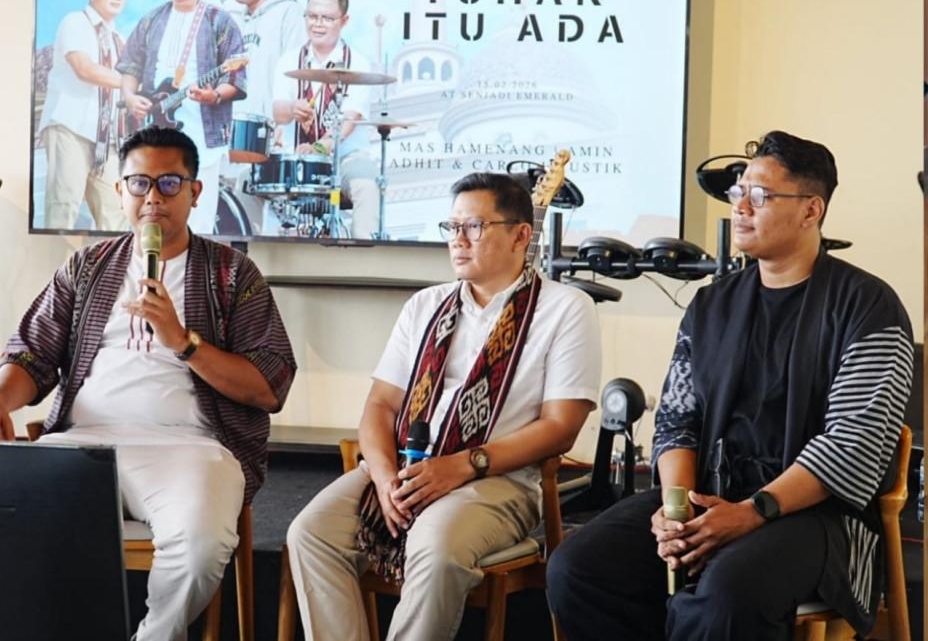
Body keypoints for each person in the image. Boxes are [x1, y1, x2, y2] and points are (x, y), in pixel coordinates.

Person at [547, 131, 915, 640]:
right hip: (708, 495)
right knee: (580, 568)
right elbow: (677, 422)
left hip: (816, 515)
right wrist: (676, 512)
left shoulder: (868, 308)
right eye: (737, 192)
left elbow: (852, 445)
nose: (740, 206)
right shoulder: (711, 305)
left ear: (811, 210)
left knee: (725, 589)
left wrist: (752, 512)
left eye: (758, 196)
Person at [0, 126, 296, 641]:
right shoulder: (87, 266)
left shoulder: (234, 274)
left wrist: (181, 340)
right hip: (82, 444)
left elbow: (269, 386)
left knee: (199, 547)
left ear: (195, 192)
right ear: (119, 191)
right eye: (139, 184)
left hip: (190, 449)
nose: (152, 199)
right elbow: (30, 353)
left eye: (169, 184)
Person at [286, 172, 602, 640]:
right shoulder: (425, 305)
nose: (458, 240)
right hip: (405, 471)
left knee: (433, 546)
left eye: (474, 227)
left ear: (521, 235)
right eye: (451, 227)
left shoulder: (565, 308)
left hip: (497, 481)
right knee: (310, 533)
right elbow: (379, 406)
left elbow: (561, 428)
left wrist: (463, 465)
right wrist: (384, 475)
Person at [117, 0, 246, 236]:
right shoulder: (151, 19)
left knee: (197, 224)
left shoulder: (218, 21)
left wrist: (214, 96)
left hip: (201, 136)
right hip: (153, 134)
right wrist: (130, 98)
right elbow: (130, 67)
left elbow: (235, 79)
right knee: (142, 219)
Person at [272, 0, 381, 239]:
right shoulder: (288, 60)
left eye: (327, 18)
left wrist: (319, 148)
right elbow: (277, 111)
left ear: (344, 20)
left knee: (367, 185)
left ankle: (364, 261)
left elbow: (349, 121)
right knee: (247, 181)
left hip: (344, 159)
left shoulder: (358, 63)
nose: (317, 24)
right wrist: (292, 108)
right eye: (312, 16)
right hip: (295, 158)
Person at [38, 0, 131, 231]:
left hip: (106, 142)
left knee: (117, 216)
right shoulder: (75, 22)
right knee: (63, 209)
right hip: (71, 130)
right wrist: (131, 84)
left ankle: (114, 272)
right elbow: (85, 69)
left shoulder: (119, 40)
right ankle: (56, 271)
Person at [221, 0, 305, 234]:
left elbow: (299, 71)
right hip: (232, 134)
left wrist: (285, 122)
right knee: (231, 219)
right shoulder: (233, 16)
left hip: (269, 132)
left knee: (267, 224)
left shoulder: (288, 12)